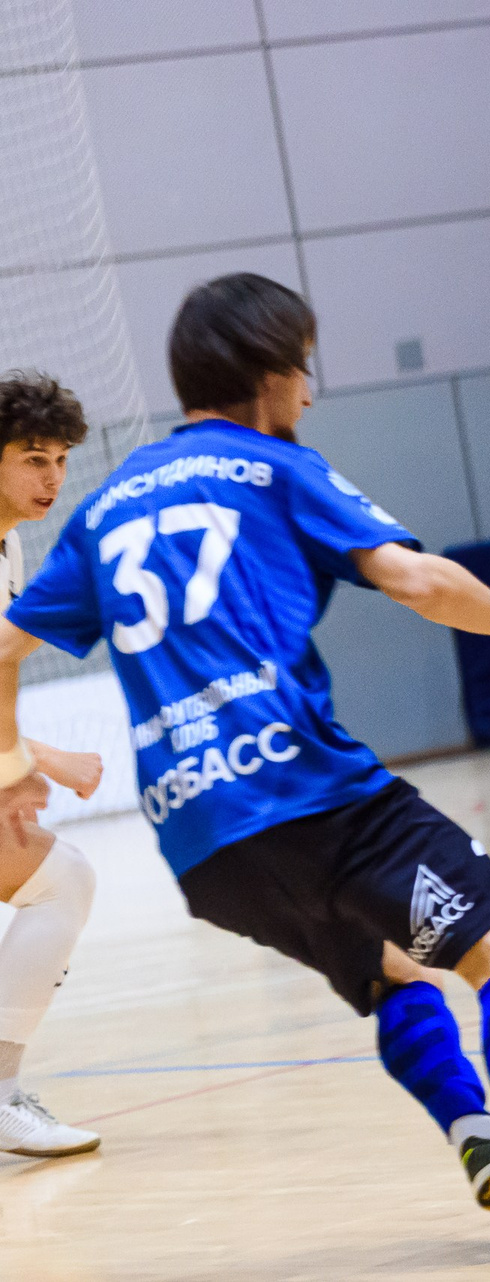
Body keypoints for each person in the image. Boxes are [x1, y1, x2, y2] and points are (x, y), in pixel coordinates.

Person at [0, 274, 490, 1271]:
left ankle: (478, 1135)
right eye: (302, 366)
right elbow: (413, 577)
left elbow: (2, 647)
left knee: (391, 970)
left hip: (203, 847)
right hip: (308, 790)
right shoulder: (274, 465)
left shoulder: (105, 503)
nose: (310, 390)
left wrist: (8, 761)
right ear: (266, 374)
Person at [0, 372, 108, 1159]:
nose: (53, 478)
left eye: (61, 460)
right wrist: (36, 760)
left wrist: (14, 761)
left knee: (60, 878)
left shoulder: (8, 541)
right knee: (62, 881)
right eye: (34, 458)